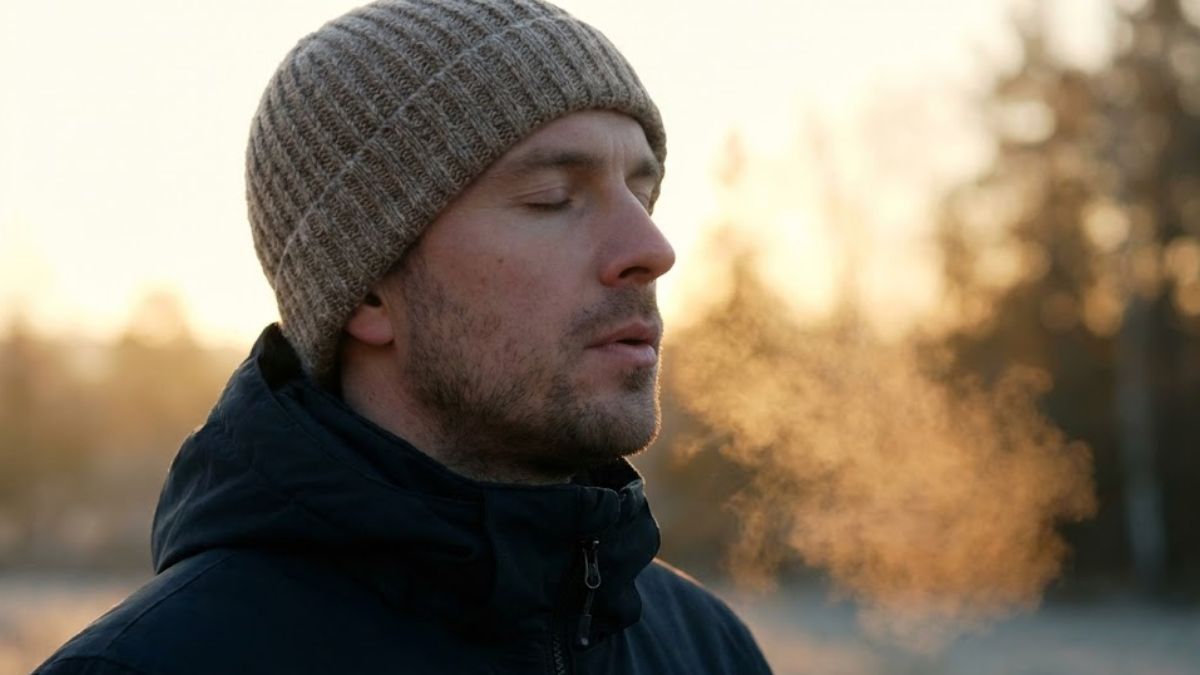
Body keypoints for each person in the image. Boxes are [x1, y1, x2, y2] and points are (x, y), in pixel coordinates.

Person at [36, 1, 773, 673]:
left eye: (641, 193)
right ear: (366, 292)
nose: (652, 246)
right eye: (553, 198)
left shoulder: (708, 649)